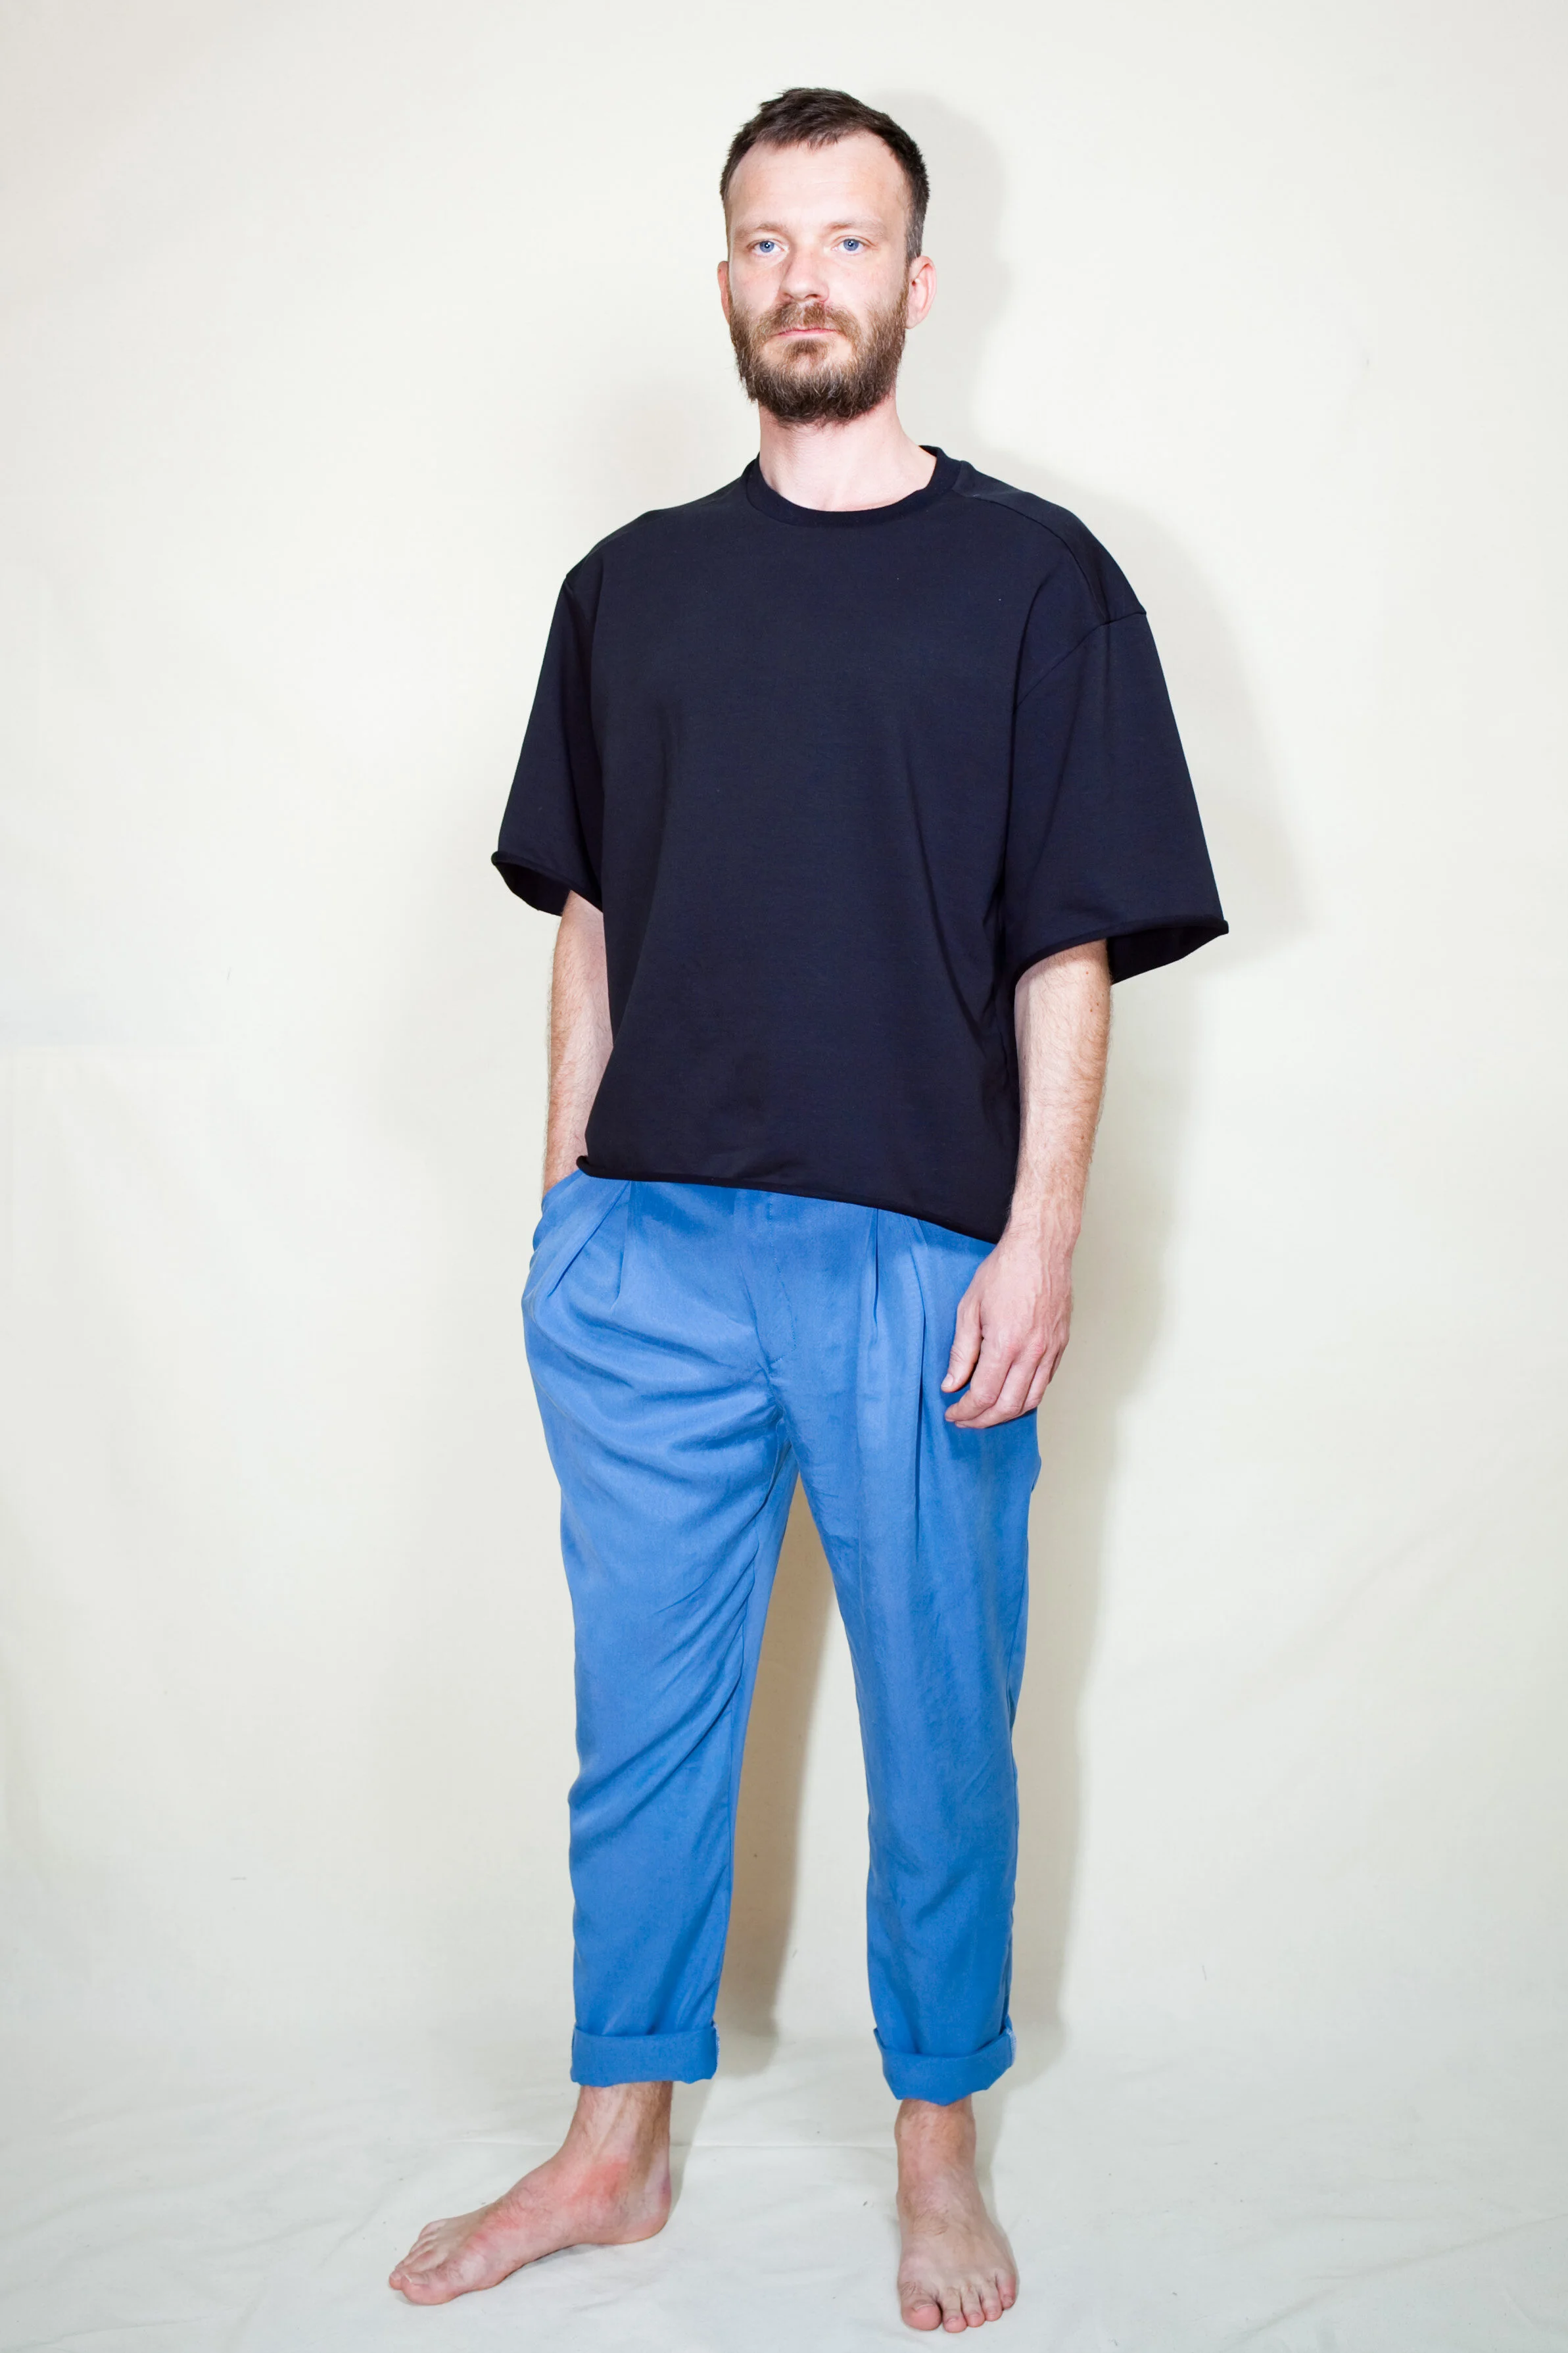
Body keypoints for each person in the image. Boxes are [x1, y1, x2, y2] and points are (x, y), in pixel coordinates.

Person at [390, 85, 1225, 2335]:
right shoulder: (629, 591)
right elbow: (585, 916)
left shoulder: (1039, 583)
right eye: (768, 242)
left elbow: (1070, 938)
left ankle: (936, 2157)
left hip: (920, 1260)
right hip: (649, 1255)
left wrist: (1041, 1232)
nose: (807, 279)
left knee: (944, 1731)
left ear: (920, 282)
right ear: (727, 279)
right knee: (642, 1728)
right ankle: (613, 2147)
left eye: (849, 241)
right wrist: (562, 1215)